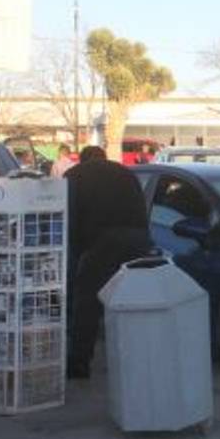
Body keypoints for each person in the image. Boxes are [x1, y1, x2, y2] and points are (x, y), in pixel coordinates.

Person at [63, 145, 153, 379]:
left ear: (81, 160)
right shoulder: (127, 173)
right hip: (139, 240)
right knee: (133, 300)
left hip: (103, 243)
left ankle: (79, 363)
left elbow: (68, 220)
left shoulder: (75, 176)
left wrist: (75, 256)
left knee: (87, 302)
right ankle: (140, 356)